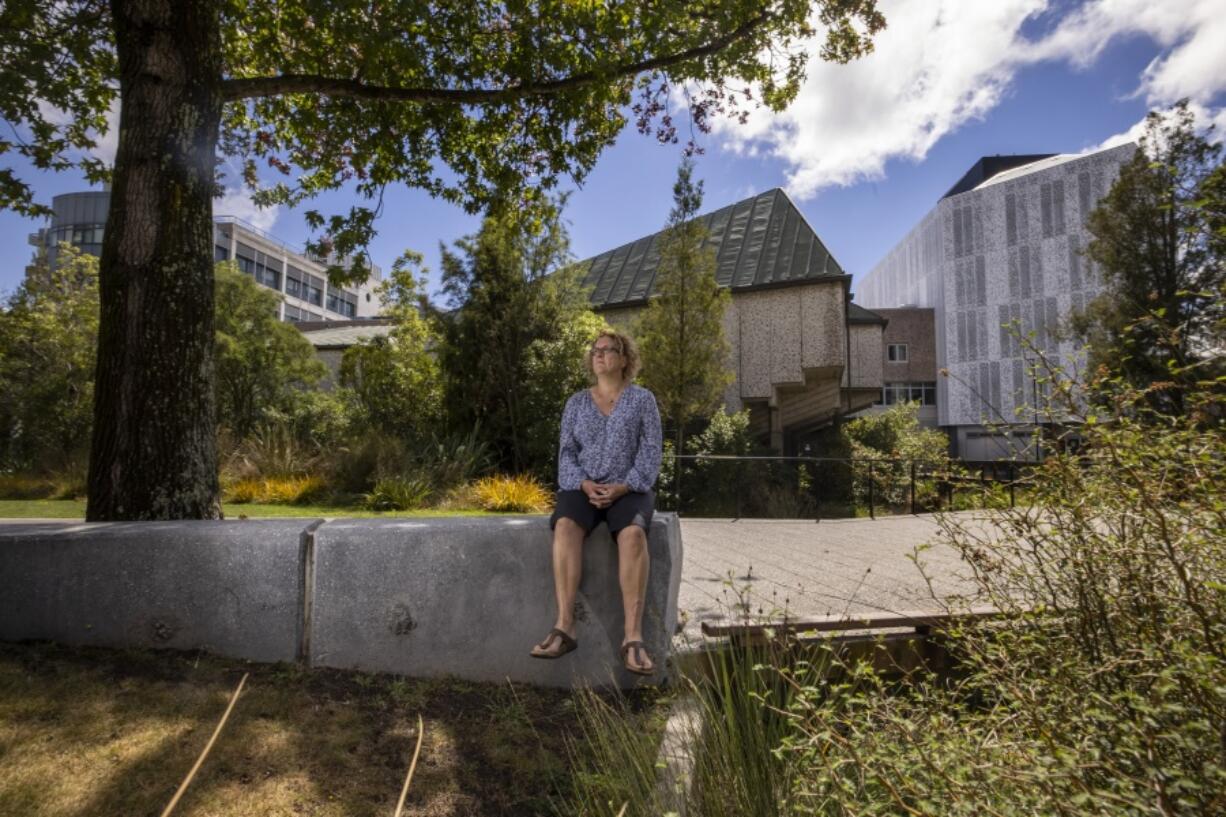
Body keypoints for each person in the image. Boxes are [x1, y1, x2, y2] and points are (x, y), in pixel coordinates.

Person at [530, 328, 663, 675]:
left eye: (609, 349)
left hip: (629, 489)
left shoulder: (643, 400)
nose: (600, 355)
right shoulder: (575, 403)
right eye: (595, 350)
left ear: (624, 359)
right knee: (564, 525)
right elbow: (566, 455)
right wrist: (584, 484)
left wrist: (623, 487)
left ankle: (632, 639)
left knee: (633, 535)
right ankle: (565, 627)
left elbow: (650, 454)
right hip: (583, 487)